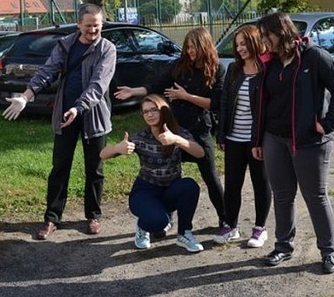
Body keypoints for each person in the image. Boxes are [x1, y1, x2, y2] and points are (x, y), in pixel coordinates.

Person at [2, 3, 117, 240]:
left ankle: (93, 215)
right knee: (59, 167)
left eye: (97, 26)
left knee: (94, 168)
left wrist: (79, 107)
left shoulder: (107, 49)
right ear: (78, 25)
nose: (93, 31)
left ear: (101, 25)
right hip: (65, 115)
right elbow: (47, 71)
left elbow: (98, 85)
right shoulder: (65, 45)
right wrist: (25, 96)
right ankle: (52, 218)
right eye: (88, 26)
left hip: (93, 116)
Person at [253, 12, 334, 274]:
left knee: (315, 197)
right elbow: (263, 102)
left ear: (282, 32)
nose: (263, 40)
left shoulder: (313, 56)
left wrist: (327, 123)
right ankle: (283, 246)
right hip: (274, 138)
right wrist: (258, 138)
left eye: (266, 35)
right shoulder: (269, 63)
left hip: (308, 141)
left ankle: (329, 252)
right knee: (282, 195)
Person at [114, 27, 227, 228]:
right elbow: (157, 85)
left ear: (205, 46)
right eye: (188, 47)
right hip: (174, 127)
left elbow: (216, 103)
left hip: (199, 129)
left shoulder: (218, 69)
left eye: (194, 47)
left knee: (211, 176)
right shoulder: (180, 66)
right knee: (168, 174)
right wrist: (134, 91)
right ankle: (163, 215)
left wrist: (186, 97)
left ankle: (225, 218)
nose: (190, 51)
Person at [101, 94, 205, 252]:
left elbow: (200, 153)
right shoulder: (141, 138)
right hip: (145, 191)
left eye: (154, 110)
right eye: (145, 112)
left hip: (171, 189)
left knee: (190, 186)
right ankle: (143, 226)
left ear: (164, 111)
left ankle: (184, 233)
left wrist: (176, 140)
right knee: (157, 222)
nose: (149, 114)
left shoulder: (179, 133)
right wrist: (117, 148)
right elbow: (102, 154)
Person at [214, 24, 272, 247]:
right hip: (234, 138)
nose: (240, 48)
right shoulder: (234, 70)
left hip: (258, 140)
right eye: (237, 45)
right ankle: (231, 226)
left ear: (255, 42)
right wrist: (221, 134)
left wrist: (265, 138)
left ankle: (260, 228)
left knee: (261, 183)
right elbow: (225, 103)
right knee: (233, 184)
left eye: (244, 43)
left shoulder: (267, 69)